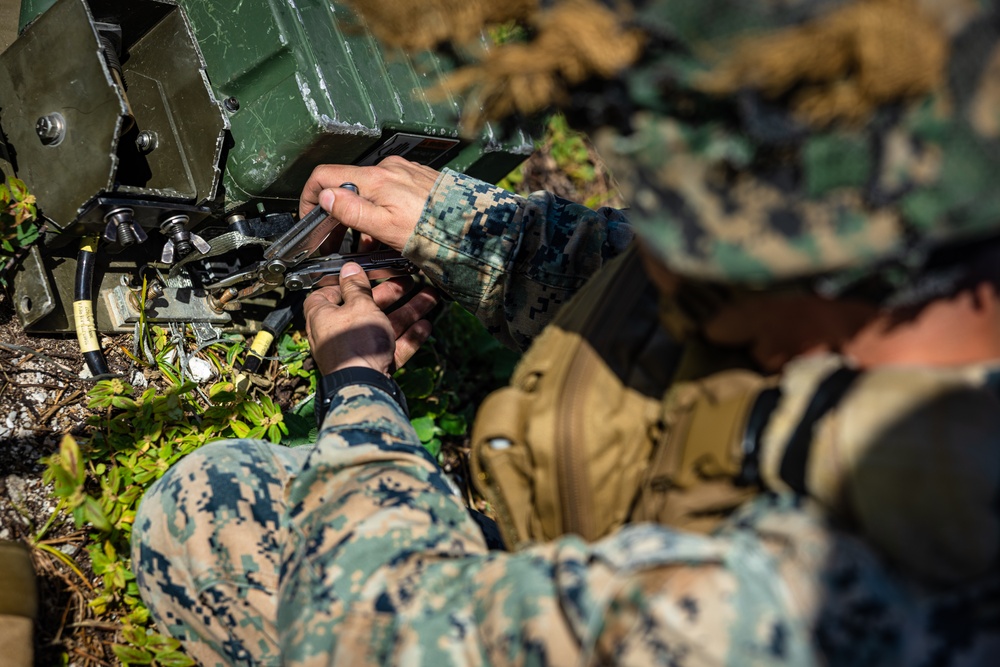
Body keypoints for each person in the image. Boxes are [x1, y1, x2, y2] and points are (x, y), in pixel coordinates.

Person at [132, 0, 1000, 664]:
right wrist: (474, 232)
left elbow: (365, 636)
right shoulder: (941, 252)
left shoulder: (802, 603)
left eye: (683, 239)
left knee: (203, 519)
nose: (662, 261)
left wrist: (362, 401)